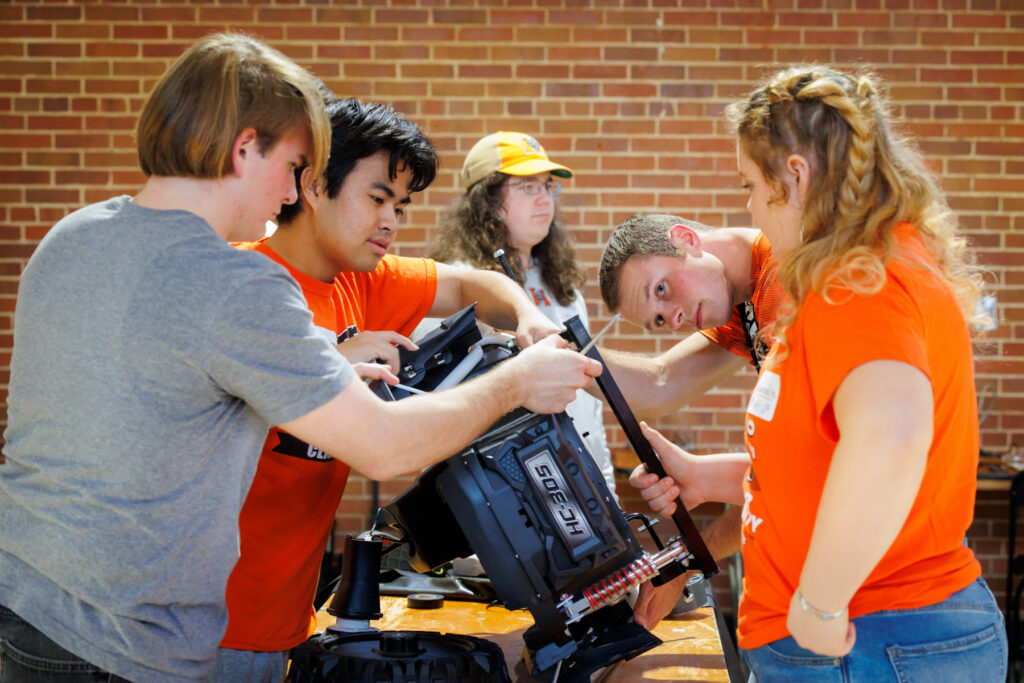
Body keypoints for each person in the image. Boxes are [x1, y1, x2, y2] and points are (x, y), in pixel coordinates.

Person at [0, 35, 600, 683]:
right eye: (292, 166)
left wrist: (328, 366)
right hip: (127, 647)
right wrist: (517, 381)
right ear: (244, 148)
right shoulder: (235, 284)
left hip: (24, 608)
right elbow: (384, 449)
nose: (293, 190)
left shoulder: (73, 236)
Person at [632, 64, 1005, 681]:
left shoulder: (857, 282)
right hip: (873, 641)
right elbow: (819, 464)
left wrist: (818, 603)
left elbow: (890, 438)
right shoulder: (863, 269)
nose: (750, 204)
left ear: (795, 177)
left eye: (751, 183)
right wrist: (704, 476)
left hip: (872, 636)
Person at [212, 99, 564, 682]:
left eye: (399, 207)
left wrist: (527, 318)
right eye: (377, 198)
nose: (391, 222)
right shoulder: (243, 283)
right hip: (204, 629)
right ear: (316, 184)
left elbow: (472, 282)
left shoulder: (361, 281)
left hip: (285, 623)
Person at [428, 131, 618, 497]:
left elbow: (589, 407)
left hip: (579, 490)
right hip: (500, 496)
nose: (545, 198)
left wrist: (606, 489)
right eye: (528, 186)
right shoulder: (456, 286)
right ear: (488, 200)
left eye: (547, 186)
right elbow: (439, 405)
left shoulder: (564, 288)